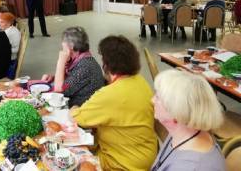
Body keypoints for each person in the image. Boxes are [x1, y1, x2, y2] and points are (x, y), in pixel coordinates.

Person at [70, 35, 157, 170]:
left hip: (121, 163)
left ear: (107, 65)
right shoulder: (141, 81)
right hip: (147, 155)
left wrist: (74, 108)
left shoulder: (109, 95)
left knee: (66, 160)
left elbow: (77, 118)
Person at [151, 70, 225, 171]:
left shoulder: (189, 166)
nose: (152, 100)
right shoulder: (182, 133)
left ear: (176, 112)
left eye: (158, 97)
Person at [43, 27, 105, 107]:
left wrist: (61, 62)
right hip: (78, 106)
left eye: (63, 46)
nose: (62, 49)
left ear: (71, 47)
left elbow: (59, 89)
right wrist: (55, 77)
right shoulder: (83, 58)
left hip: (80, 110)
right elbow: (71, 80)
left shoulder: (85, 66)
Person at [0, 12, 21, 79]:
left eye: (2, 22)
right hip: (9, 59)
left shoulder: (11, 33)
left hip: (10, 62)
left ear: (9, 23)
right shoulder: (9, 30)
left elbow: (15, 50)